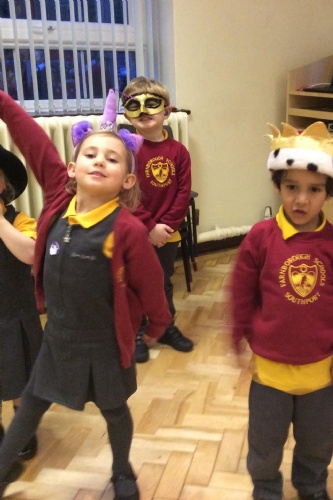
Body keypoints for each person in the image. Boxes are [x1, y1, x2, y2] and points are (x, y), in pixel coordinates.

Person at [0, 89, 171, 499]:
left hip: (105, 344)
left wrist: (158, 325)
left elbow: (151, 285)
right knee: (29, 408)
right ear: (73, 169)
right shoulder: (59, 201)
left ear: (127, 180)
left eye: (112, 159)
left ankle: (122, 471)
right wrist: (2, 103)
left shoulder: (127, 230)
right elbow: (34, 142)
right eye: (91, 154)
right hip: (57, 339)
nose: (99, 161)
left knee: (114, 411)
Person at [229, 121, 333, 500]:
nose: (301, 200)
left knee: (316, 443)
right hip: (269, 373)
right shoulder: (260, 238)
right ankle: (266, 489)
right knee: (264, 442)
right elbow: (241, 293)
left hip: (320, 372)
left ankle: (311, 487)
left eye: (314, 190)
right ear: (278, 186)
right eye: (292, 187)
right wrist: (237, 338)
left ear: (330, 191)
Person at [121, 76, 194, 362]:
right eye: (135, 106)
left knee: (162, 281)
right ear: (127, 115)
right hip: (136, 233)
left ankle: (165, 327)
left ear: (167, 112)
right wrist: (149, 227)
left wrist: (166, 227)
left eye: (151, 104)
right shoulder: (127, 152)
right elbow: (126, 193)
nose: (143, 111)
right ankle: (139, 331)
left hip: (167, 233)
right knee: (137, 282)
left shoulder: (179, 152)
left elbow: (183, 192)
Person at [0, 145, 43, 461]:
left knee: (21, 375)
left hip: (14, 313)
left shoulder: (20, 221)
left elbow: (29, 253)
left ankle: (22, 425)